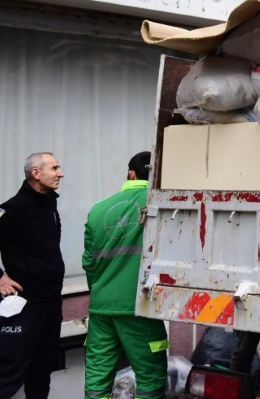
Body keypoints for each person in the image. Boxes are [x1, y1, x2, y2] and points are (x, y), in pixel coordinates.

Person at [0, 152, 65, 399]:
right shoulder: (14, 208)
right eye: (54, 168)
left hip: (51, 302)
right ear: (36, 173)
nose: (60, 173)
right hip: (24, 305)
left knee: (42, 369)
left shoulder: (49, 204)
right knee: (10, 373)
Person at [82, 151, 168, 399]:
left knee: (97, 379)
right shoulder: (161, 205)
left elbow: (88, 262)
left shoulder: (98, 209)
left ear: (131, 173)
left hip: (101, 308)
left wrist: (100, 292)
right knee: (149, 378)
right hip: (139, 306)